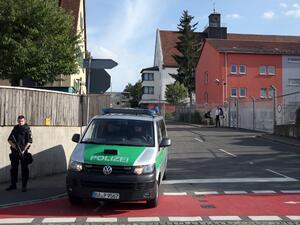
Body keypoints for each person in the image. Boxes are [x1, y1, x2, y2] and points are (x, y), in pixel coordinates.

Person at [6, 115, 33, 192]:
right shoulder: (15, 128)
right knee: (14, 169)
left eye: (22, 121)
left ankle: (24, 185)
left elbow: (29, 141)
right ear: (17, 121)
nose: (20, 122)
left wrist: (24, 150)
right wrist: (14, 147)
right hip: (15, 152)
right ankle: (13, 185)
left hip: (23, 152)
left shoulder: (27, 128)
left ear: (24, 121)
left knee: (24, 169)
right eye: (19, 121)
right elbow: (9, 140)